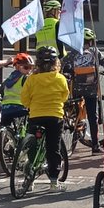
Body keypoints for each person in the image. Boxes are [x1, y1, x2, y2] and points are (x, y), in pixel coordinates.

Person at [19, 46, 69, 190]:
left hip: (36, 115)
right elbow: (64, 96)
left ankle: (30, 178)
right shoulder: (60, 78)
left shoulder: (31, 79)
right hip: (55, 116)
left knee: (33, 147)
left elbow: (24, 99)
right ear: (55, 63)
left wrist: (30, 106)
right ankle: (54, 181)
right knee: (53, 148)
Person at [62, 29, 104, 152]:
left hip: (76, 89)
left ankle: (75, 125)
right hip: (91, 90)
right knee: (93, 117)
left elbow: (62, 64)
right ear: (90, 42)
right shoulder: (95, 52)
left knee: (75, 111)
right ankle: (95, 146)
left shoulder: (74, 53)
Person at [0, 52, 33, 128]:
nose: (29, 71)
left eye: (31, 68)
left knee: (6, 128)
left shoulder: (9, 78)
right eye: (26, 67)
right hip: (19, 107)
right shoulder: (25, 78)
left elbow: (1, 91)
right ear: (17, 66)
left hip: (5, 109)